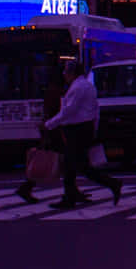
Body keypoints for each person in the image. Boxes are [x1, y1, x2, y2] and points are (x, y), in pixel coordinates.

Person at [41, 60, 123, 209]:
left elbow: (69, 111)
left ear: (72, 73)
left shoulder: (78, 88)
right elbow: (95, 110)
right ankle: (73, 195)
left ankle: (110, 184)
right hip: (84, 129)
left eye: (66, 72)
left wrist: (49, 124)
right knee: (75, 165)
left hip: (77, 130)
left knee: (75, 165)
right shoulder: (86, 86)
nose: (64, 75)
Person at [15, 69, 69, 205]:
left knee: (60, 160)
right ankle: (26, 187)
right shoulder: (56, 92)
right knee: (65, 160)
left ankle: (27, 187)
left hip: (51, 129)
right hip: (54, 130)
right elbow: (56, 112)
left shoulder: (52, 91)